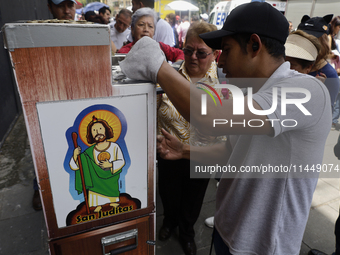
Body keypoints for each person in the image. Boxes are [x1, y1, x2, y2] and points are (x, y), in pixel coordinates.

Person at [119, 2, 331, 254]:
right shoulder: (248, 93)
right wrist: (184, 150)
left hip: (264, 245)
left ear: (254, 45)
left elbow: (210, 117)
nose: (221, 63)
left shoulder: (308, 91)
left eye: (227, 50)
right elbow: (230, 153)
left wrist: (157, 66)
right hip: (227, 229)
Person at [157, 22, 223, 255]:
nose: (193, 57)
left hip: (202, 155)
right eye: (188, 50)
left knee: (194, 200)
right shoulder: (168, 77)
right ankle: (168, 223)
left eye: (201, 52)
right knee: (168, 194)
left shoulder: (224, 85)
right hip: (168, 152)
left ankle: (186, 233)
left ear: (216, 54)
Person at [69, 116, 125, 211]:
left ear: (106, 130)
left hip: (111, 178)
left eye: (100, 129)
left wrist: (111, 165)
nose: (97, 132)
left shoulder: (115, 146)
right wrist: (75, 155)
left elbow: (122, 161)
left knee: (112, 190)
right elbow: (76, 167)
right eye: (94, 130)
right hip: (96, 182)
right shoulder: (88, 152)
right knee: (94, 188)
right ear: (91, 134)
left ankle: (113, 201)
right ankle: (97, 204)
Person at [298, 15, 340, 115]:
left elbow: (324, 117)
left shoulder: (329, 75)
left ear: (323, 42)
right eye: (302, 38)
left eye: (313, 39)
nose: (306, 43)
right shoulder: (289, 63)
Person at [118, 8, 184, 63]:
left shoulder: (161, 47)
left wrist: (175, 68)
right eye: (141, 25)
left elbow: (181, 54)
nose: (146, 29)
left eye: (150, 26)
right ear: (132, 29)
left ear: (154, 32)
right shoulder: (124, 52)